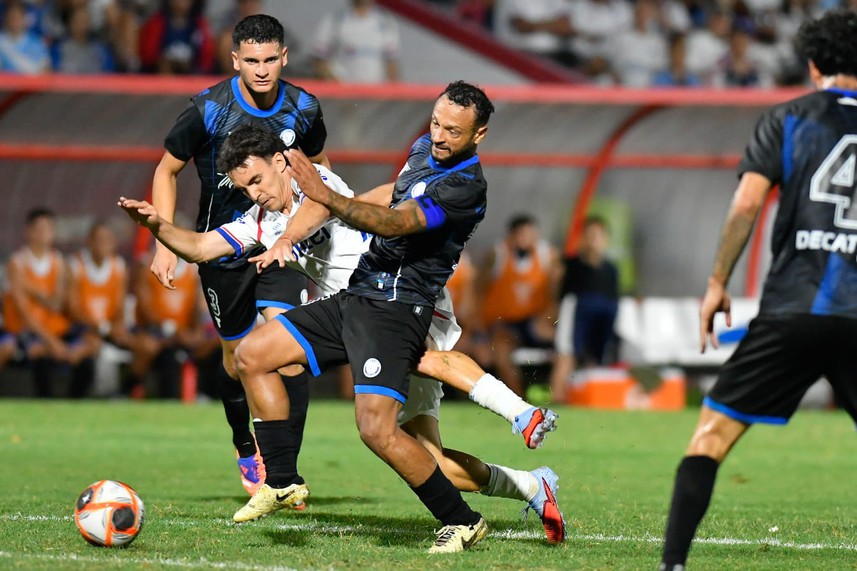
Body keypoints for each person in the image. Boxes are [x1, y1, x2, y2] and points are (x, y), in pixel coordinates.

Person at [119, 121, 565, 545]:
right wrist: (159, 228)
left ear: (280, 162)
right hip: (353, 317)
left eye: (256, 180)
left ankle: (521, 412)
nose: (254, 194)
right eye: (244, 189)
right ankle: (529, 484)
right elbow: (201, 247)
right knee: (428, 459)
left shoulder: (314, 182)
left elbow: (318, 207)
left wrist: (286, 240)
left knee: (425, 360)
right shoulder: (261, 221)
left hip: (398, 293)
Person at [660, 10, 857, 569]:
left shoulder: (788, 118)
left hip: (792, 308)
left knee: (710, 437)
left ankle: (672, 565)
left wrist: (717, 283)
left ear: (814, 65)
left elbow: (747, 204)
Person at [149, 14, 328, 497]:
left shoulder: (304, 107)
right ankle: (244, 445)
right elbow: (166, 171)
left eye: (270, 59)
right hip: (223, 250)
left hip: (280, 243)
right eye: (251, 61)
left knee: (289, 354)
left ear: (284, 57)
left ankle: (284, 473)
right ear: (235, 60)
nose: (262, 69)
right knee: (236, 360)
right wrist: (164, 244)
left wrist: (317, 228)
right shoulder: (208, 109)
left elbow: (318, 170)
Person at [2, 208, 89, 397]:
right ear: (29, 231)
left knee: (86, 348)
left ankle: (74, 402)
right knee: (35, 351)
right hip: (26, 331)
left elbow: (57, 304)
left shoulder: (60, 263)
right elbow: (24, 312)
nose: (45, 233)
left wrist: (32, 289)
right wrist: (52, 342)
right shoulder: (17, 263)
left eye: (49, 228)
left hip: (54, 329)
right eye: (40, 228)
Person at [480, 214, 562, 396]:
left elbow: (556, 295)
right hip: (505, 323)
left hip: (534, 321)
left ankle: (558, 394)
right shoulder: (498, 255)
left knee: (564, 344)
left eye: (529, 234)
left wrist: (549, 318)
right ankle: (518, 398)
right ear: (510, 236)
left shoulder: (548, 256)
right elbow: (478, 290)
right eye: (520, 234)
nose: (524, 239)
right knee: (501, 350)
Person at [549, 215, 619, 402]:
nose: (593, 240)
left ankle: (589, 399)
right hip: (575, 312)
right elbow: (555, 293)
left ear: (605, 239)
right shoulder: (569, 264)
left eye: (597, 235)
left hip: (601, 316)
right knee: (567, 354)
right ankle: (557, 398)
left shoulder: (611, 269)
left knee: (595, 356)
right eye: (589, 235)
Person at [66, 221, 131, 398]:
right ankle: (78, 397)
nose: (104, 244)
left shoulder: (119, 266)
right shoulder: (76, 265)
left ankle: (125, 392)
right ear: (89, 242)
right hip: (82, 329)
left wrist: (117, 327)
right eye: (99, 239)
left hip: (108, 330)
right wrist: (100, 327)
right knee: (86, 350)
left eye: (108, 240)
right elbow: (72, 309)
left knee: (142, 345)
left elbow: (120, 307)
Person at [312, 0, 400, 83]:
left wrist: (392, 88)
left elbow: (391, 63)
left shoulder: (386, 22)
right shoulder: (334, 20)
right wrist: (335, 82)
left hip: (376, 90)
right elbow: (319, 59)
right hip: (343, 90)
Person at [138, 0, 215, 75]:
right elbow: (147, 57)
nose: (181, 2)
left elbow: (206, 59)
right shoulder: (156, 23)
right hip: (159, 73)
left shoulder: (200, 25)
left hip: (191, 74)